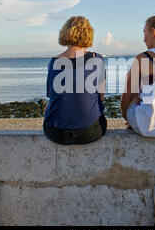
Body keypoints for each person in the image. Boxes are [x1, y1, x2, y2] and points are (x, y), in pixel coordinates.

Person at [43, 16, 107, 145]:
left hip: (57, 134)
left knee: (48, 109)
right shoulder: (97, 59)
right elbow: (101, 97)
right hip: (89, 133)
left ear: (65, 33)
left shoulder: (54, 62)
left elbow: (52, 97)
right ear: (89, 34)